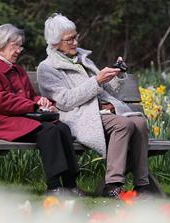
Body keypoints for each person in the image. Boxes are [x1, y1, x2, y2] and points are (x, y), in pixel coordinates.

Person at [37, 14, 153, 197]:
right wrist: (96, 82)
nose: (75, 42)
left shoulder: (82, 59)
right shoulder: (47, 68)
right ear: (55, 43)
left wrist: (117, 74)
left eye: (76, 36)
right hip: (79, 116)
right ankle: (113, 184)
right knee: (123, 125)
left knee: (139, 122)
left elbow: (108, 90)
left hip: (102, 111)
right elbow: (65, 101)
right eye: (70, 39)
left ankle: (142, 184)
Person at [0, 23, 84, 196]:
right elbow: (0, 101)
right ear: (0, 44)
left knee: (62, 128)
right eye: (15, 46)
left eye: (20, 46)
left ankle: (70, 185)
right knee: (48, 131)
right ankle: (54, 187)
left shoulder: (17, 69)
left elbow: (29, 96)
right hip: (1, 121)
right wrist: (33, 105)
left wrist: (40, 100)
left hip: (22, 118)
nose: (19, 50)